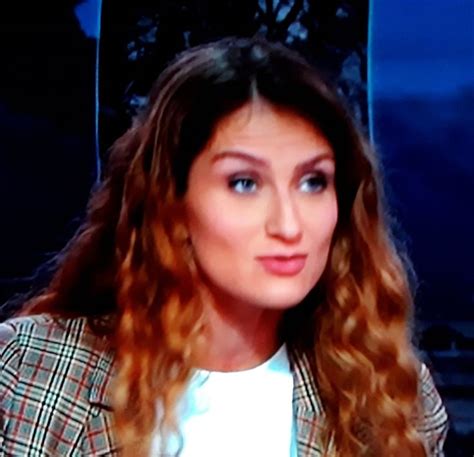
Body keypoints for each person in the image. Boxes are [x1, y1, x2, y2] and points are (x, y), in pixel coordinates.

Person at [0, 37, 448, 457]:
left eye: (313, 182)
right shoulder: (25, 373)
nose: (289, 225)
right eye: (244, 183)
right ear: (171, 203)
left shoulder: (392, 397)